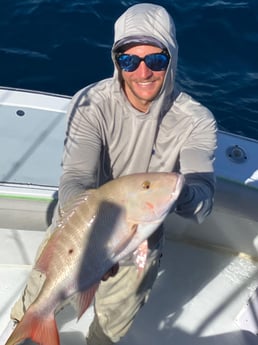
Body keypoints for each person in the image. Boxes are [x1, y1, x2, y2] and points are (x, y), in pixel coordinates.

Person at [8, 3, 217, 345]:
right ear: (116, 60)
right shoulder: (91, 103)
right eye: (129, 60)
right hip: (78, 229)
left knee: (110, 327)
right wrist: (93, 242)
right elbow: (76, 176)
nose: (143, 72)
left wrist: (183, 193)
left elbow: (202, 197)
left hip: (141, 240)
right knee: (36, 302)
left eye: (156, 59)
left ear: (172, 58)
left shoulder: (196, 120)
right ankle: (24, 330)